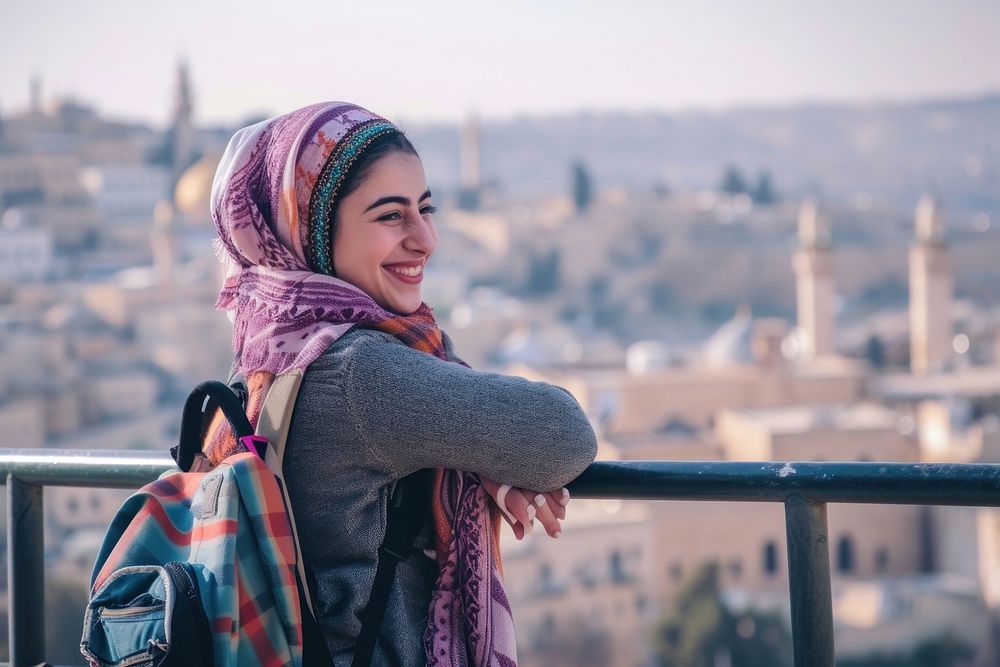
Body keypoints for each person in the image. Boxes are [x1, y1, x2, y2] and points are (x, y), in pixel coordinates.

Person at [205, 102, 597, 666]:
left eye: (425, 207)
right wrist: (497, 456)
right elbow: (564, 436)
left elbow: (444, 404)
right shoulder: (359, 373)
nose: (425, 239)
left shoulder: (266, 354)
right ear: (312, 231)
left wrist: (479, 459)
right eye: (391, 216)